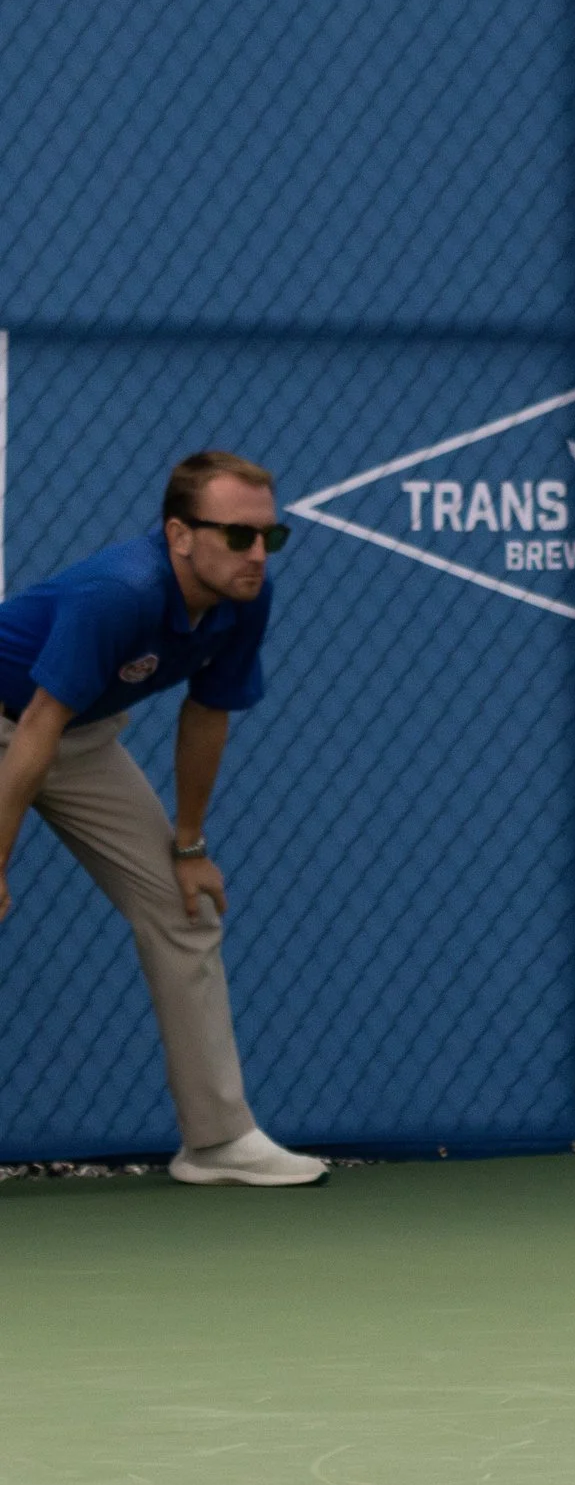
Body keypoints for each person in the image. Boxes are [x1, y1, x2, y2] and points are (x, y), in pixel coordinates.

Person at [0, 451, 325, 1184]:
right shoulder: (118, 592)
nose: (256, 555)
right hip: (27, 724)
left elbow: (208, 712)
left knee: (187, 911)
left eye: (269, 538)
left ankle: (216, 1141)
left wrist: (189, 845)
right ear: (179, 534)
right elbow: (37, 725)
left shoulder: (245, 597)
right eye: (237, 536)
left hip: (74, 738)